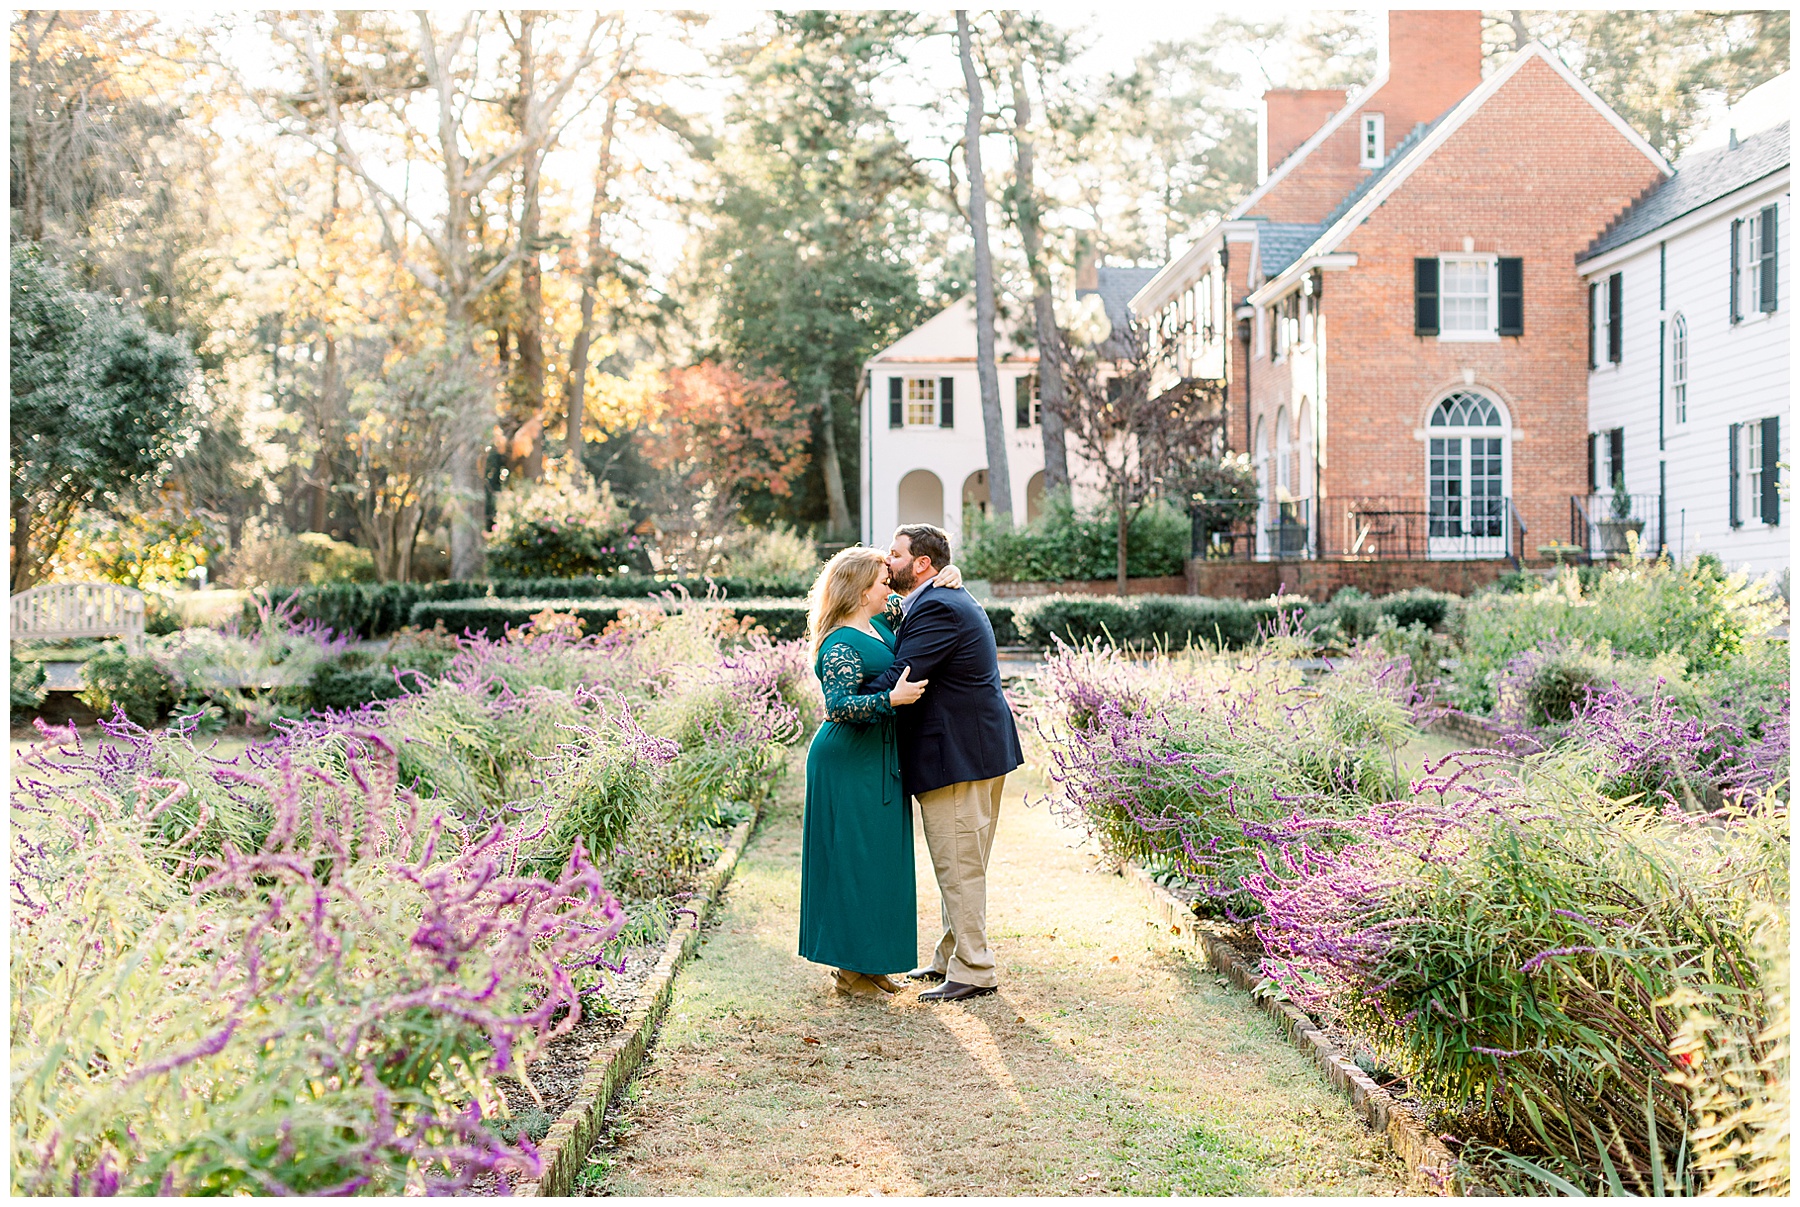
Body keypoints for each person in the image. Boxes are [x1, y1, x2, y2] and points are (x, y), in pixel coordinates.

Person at [863, 523, 1023, 1004]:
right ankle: (950, 955)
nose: (887, 562)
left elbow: (901, 676)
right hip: (972, 751)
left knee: (959, 867)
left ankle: (974, 969)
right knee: (962, 862)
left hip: (958, 756)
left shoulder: (937, 606)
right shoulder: (937, 598)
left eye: (894, 555)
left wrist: (846, 699)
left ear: (922, 564)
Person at [797, 545, 933, 997]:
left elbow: (919, 592)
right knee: (852, 858)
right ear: (859, 592)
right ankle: (849, 972)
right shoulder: (840, 642)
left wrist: (947, 573)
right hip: (847, 759)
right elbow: (836, 706)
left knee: (878, 858)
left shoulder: (879, 621)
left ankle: (870, 962)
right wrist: (889, 700)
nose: (887, 586)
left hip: (879, 755)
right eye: (880, 581)